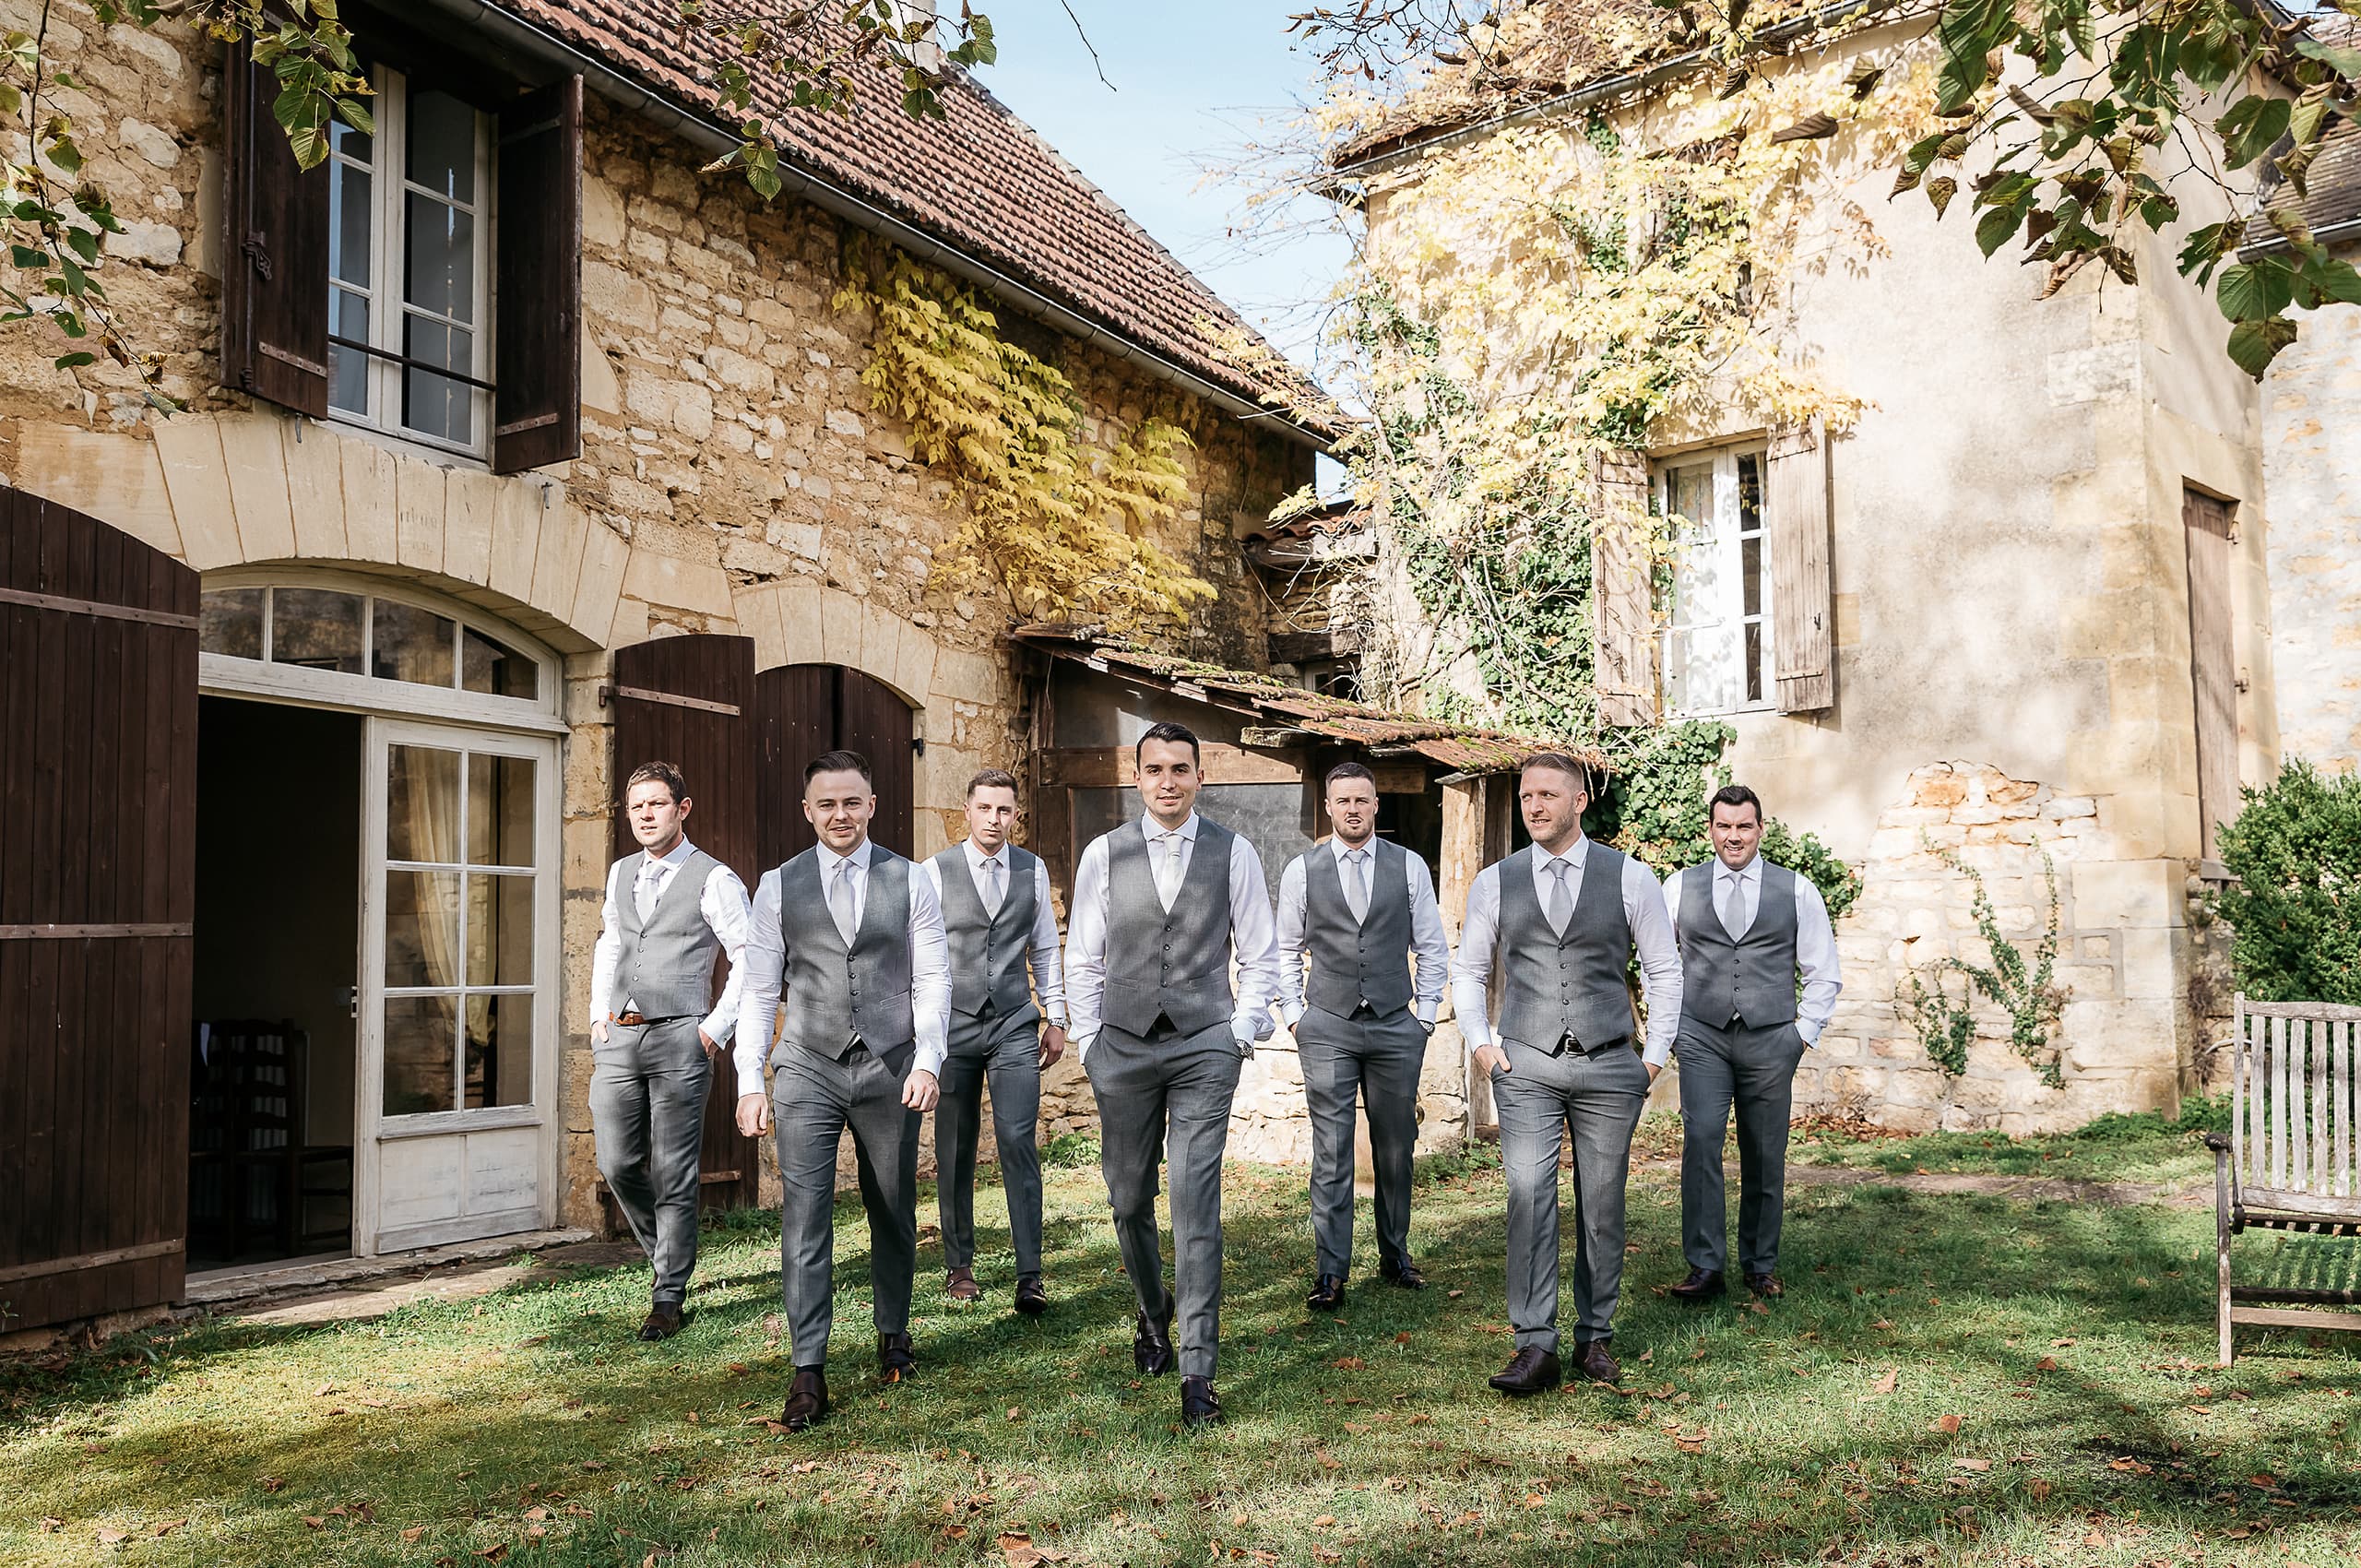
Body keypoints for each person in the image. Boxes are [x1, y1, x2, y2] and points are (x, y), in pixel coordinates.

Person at [1064, 720, 1281, 1428]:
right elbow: (1084, 957)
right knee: (1127, 1199)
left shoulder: (1234, 852)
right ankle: (1153, 1310)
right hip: (1121, 1048)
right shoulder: (1104, 853)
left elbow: (1260, 954)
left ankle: (1198, 1370)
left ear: (1199, 777)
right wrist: (1091, 1038)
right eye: (1154, 769)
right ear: (1138, 778)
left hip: (1202, 1049)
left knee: (1194, 1203)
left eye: (1180, 769)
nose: (1167, 781)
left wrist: (1238, 1034)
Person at [1449, 752, 1683, 1394]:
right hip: (1525, 1062)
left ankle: (1595, 1338)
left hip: (1611, 1061)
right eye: (1527, 796)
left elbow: (1665, 970)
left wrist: (1653, 1056)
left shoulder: (1631, 877)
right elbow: (1468, 971)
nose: (1534, 806)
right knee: (1528, 1194)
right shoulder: (1497, 881)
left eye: (1548, 795)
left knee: (1603, 1202)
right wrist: (1481, 1043)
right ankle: (1534, 1345)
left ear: (1579, 801)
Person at [736, 750, 950, 1433]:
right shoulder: (777, 885)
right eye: (826, 803)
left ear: (872, 804)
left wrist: (928, 1061)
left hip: (890, 1063)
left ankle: (893, 1334)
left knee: (892, 1205)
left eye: (851, 801)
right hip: (806, 1064)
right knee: (805, 1213)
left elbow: (934, 978)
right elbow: (759, 988)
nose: (840, 814)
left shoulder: (911, 879)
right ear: (808, 811)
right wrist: (750, 1077)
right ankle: (807, 1369)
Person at [1275, 761, 1452, 1311]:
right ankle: (1331, 1271)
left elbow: (1432, 945)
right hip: (1327, 1023)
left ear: (1377, 806)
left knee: (1397, 1144)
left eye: (1362, 800)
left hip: (1397, 1023)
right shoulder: (1302, 871)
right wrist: (1295, 1014)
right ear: (1327, 808)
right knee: (1331, 1149)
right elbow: (1285, 949)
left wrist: (1423, 1017)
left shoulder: (1409, 866)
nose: (1353, 809)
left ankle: (1395, 1254)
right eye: (1342, 800)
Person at [587, 761, 752, 1342]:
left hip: (681, 1035)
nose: (646, 815)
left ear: (682, 810)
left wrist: (714, 1030)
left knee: (673, 1168)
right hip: (620, 1035)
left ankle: (668, 1293)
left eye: (657, 804)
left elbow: (749, 957)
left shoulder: (715, 878)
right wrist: (597, 1017)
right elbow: (611, 943)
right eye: (637, 807)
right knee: (616, 1161)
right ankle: (669, 1252)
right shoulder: (621, 872)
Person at [1660, 784, 1844, 1301]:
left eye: (1744, 826)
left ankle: (1760, 1263)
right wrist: (1670, 1027)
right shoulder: (1679, 887)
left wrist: (1801, 1035)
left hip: (1771, 1039)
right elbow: (1660, 963)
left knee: (1765, 1152)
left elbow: (1822, 971)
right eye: (1723, 826)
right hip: (1701, 1037)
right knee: (1701, 1144)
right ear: (1710, 830)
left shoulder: (1797, 890)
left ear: (1761, 829)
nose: (1733, 836)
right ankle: (1704, 1265)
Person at [921, 768, 1068, 1313]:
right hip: (953, 1026)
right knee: (955, 1148)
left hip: (1011, 1022)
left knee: (1017, 1140)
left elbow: (1046, 951)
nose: (994, 820)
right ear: (967, 810)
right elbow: (920, 959)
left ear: (1015, 814)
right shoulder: (933, 873)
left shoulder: (1031, 871)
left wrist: (1055, 1017)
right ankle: (959, 1265)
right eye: (985, 809)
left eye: (1004, 810)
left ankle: (1029, 1272)